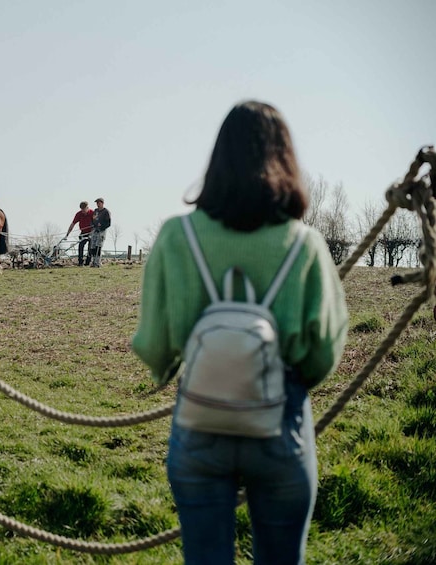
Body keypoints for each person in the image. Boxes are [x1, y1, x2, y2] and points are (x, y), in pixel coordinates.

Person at [132, 101, 348, 564]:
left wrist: (173, 366)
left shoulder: (176, 236)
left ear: (217, 159)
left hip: (200, 420)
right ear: (285, 160)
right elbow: (324, 353)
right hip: (281, 422)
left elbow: (152, 344)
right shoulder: (304, 244)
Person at [66, 201, 94, 266]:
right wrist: (67, 234)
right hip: (83, 232)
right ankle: (80, 262)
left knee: (90, 247)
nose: (83, 212)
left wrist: (93, 233)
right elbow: (73, 224)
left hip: (91, 232)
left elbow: (96, 224)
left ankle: (88, 262)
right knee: (81, 245)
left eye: (84, 210)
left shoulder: (92, 213)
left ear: (87, 208)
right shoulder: (79, 214)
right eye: (82, 210)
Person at [89, 197, 111, 267]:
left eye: (99, 203)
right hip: (95, 230)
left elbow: (108, 223)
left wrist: (102, 226)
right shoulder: (95, 211)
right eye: (97, 203)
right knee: (93, 246)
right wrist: (92, 225)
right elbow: (92, 220)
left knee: (98, 246)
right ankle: (93, 261)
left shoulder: (106, 212)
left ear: (102, 203)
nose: (98, 204)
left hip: (101, 231)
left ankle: (98, 262)